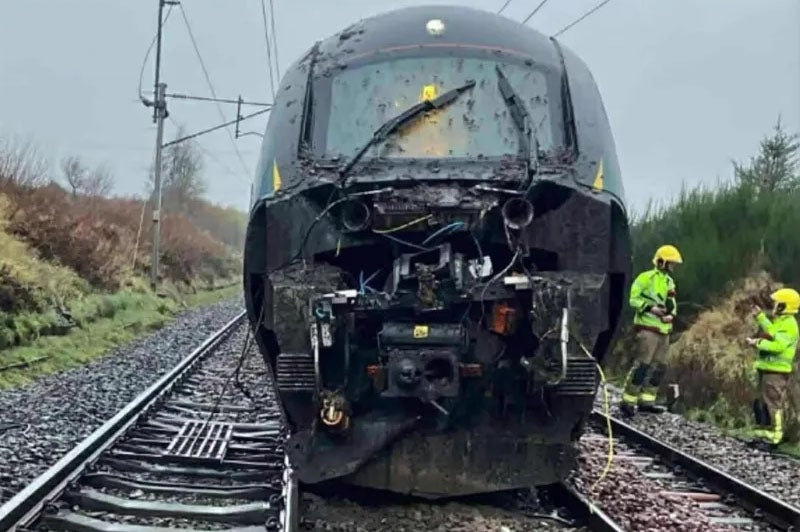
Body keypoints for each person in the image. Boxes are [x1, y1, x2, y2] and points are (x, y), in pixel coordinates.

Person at [620, 244, 682, 417]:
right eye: (672, 263)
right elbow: (633, 299)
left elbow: (672, 304)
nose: (674, 266)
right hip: (648, 330)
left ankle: (647, 400)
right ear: (662, 262)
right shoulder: (646, 278)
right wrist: (650, 309)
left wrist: (671, 315)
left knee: (658, 367)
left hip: (664, 331)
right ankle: (628, 401)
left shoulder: (669, 282)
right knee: (642, 365)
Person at [745, 288, 800, 448]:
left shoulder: (790, 325)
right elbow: (772, 331)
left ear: (784, 306)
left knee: (773, 404)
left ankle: (775, 438)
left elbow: (779, 345)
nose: (774, 305)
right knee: (760, 403)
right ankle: (762, 435)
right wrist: (760, 317)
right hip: (767, 368)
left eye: (777, 303)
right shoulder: (781, 322)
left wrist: (757, 343)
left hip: (776, 371)